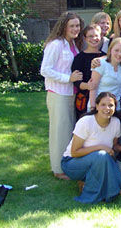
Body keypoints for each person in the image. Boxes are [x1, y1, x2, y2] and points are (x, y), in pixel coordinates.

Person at [61, 92, 121, 203]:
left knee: (105, 157)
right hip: (71, 163)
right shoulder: (86, 122)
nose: (107, 108)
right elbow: (74, 152)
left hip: (96, 162)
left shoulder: (116, 122)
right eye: (103, 104)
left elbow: (114, 145)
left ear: (115, 107)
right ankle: (104, 192)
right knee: (101, 155)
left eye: (111, 105)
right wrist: (100, 147)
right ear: (96, 106)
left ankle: (87, 183)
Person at [40, 11, 84, 180]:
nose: (75, 28)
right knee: (59, 132)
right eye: (71, 26)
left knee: (68, 131)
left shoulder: (73, 43)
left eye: (77, 25)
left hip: (71, 94)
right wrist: (68, 78)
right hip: (58, 93)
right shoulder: (56, 44)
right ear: (63, 26)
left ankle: (67, 165)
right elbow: (45, 70)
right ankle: (58, 169)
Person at [71, 24, 105, 120]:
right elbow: (76, 82)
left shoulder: (106, 57)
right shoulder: (79, 58)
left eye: (96, 36)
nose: (94, 38)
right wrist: (88, 86)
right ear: (85, 38)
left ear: (101, 37)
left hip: (102, 98)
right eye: (90, 36)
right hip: (84, 100)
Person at [88, 37, 121, 111]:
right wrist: (93, 108)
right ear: (110, 50)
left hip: (115, 108)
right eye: (116, 50)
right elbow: (93, 88)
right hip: (99, 107)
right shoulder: (100, 64)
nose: (119, 54)